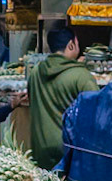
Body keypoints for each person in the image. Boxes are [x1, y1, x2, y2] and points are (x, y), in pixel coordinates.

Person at [27, 21, 100, 169]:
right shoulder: (81, 76)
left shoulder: (35, 72)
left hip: (40, 151)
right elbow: (96, 114)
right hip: (70, 153)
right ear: (71, 45)